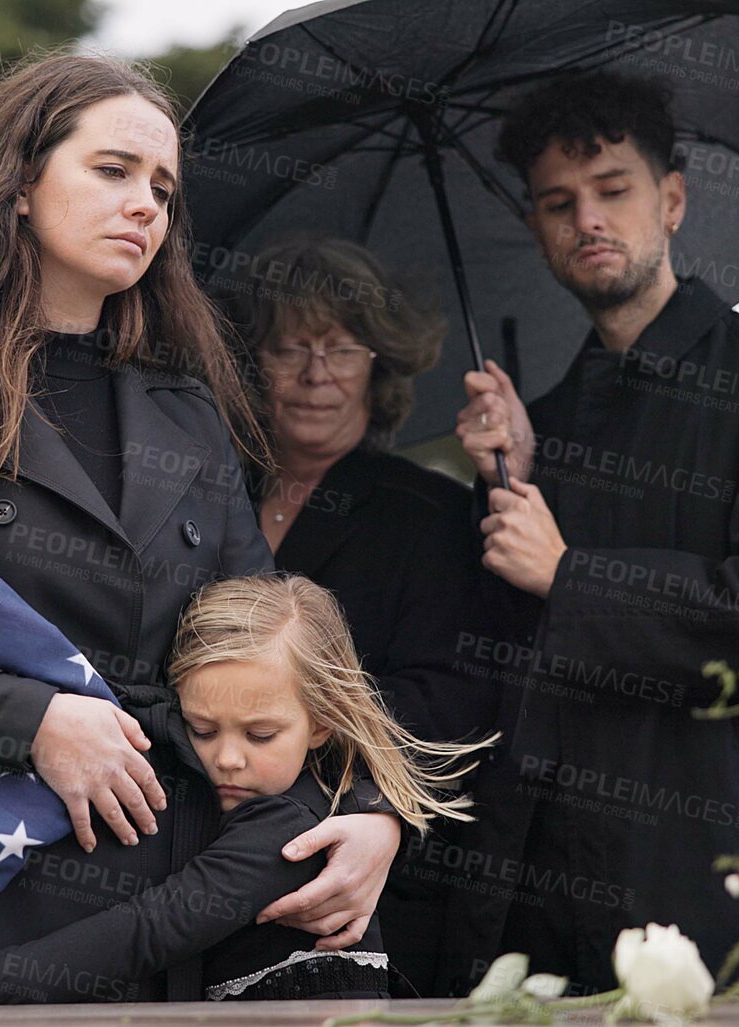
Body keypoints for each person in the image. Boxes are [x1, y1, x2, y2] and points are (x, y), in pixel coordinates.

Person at [0, 53, 404, 1005]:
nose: (145, 203)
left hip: (182, 897)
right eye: (112, 170)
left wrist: (374, 813)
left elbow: (278, 650)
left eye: (163, 187)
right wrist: (32, 721)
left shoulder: (189, 409)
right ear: (17, 183)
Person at [444, 72, 739, 993]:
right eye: (558, 202)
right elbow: (502, 672)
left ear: (672, 200)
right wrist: (513, 475)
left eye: (613, 189)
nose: (587, 220)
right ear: (536, 226)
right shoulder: (548, 424)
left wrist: (572, 575)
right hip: (556, 919)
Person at [0, 575, 490, 1006]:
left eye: (262, 734)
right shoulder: (204, 759)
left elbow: (145, 933)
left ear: (321, 722)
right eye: (201, 728)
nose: (227, 759)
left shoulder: (293, 830)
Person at [226, 235, 503, 995]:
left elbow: (448, 695)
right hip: (211, 860)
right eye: (289, 348)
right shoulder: (213, 497)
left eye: (341, 349)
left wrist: (296, 729)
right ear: (256, 363)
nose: (317, 374)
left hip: (364, 873)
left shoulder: (429, 512)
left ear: (376, 364)